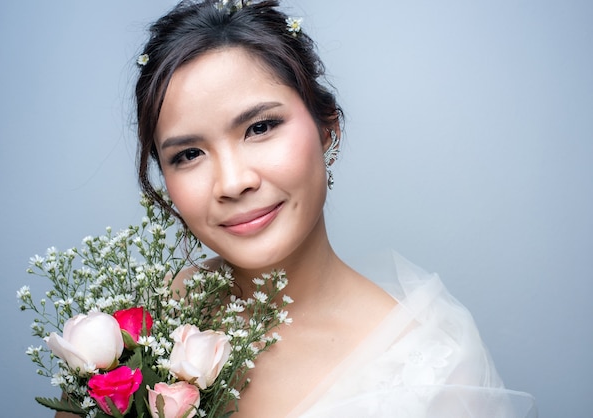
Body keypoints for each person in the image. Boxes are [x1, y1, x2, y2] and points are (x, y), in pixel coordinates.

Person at [60, 0, 536, 416]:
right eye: (188, 155)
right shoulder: (123, 338)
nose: (233, 182)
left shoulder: (436, 367)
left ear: (327, 127)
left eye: (261, 127)